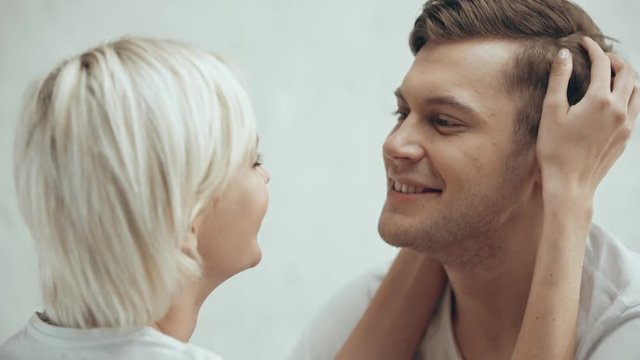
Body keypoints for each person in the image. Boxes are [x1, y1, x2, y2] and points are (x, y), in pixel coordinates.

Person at [291, 0, 640, 359]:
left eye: (444, 121)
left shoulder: (626, 328)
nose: (394, 144)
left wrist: (567, 189)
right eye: (402, 112)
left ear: (553, 152)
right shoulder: (361, 309)